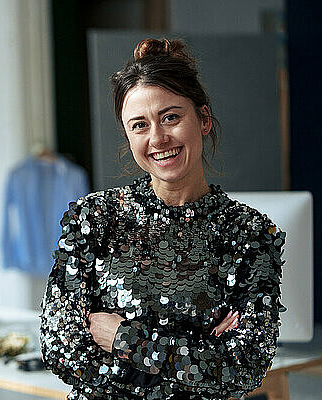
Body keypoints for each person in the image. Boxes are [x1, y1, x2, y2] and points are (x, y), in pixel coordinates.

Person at [39, 38, 286, 400]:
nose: (157, 137)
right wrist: (194, 357)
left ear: (203, 119)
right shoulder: (94, 219)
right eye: (139, 125)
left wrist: (125, 339)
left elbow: (243, 369)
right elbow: (61, 348)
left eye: (171, 117)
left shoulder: (249, 233)